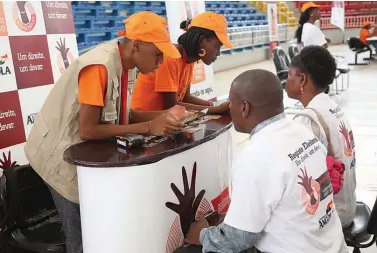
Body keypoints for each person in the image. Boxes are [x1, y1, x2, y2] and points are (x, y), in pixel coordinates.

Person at [24, 12, 186, 253]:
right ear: (137, 45)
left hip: (83, 157)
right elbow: (88, 130)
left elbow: (125, 114)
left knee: (100, 230)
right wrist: (150, 127)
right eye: (158, 55)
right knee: (81, 240)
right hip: (58, 161)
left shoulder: (129, 63)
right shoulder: (98, 66)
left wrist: (164, 116)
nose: (161, 62)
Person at [184, 69, 348, 253]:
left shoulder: (255, 156)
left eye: (231, 102)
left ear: (244, 108)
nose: (229, 107)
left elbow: (238, 239)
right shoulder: (303, 133)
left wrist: (202, 235)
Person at [285, 45, 357, 228]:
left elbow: (294, 178)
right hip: (348, 205)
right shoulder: (333, 107)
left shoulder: (309, 120)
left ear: (302, 79)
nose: (286, 81)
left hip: (331, 216)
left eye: (289, 75)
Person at [130, 11, 233, 114]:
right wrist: (215, 109)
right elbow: (171, 106)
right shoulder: (170, 58)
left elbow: (185, 98)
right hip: (144, 121)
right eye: (217, 46)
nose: (218, 53)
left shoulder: (189, 60)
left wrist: (212, 105)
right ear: (202, 40)